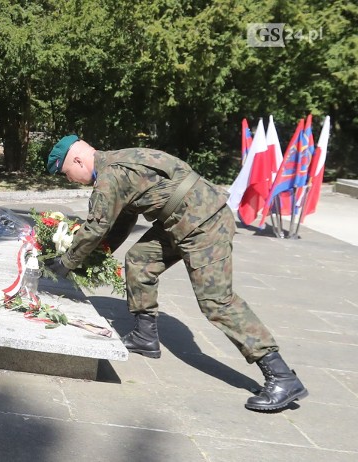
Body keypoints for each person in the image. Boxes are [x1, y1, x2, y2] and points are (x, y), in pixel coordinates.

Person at [46, 135, 308, 412]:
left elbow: (96, 227)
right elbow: (123, 219)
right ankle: (145, 336)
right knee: (139, 259)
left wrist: (67, 263)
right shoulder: (117, 161)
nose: (70, 180)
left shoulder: (109, 177)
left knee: (216, 301)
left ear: (77, 160)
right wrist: (100, 255)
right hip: (183, 218)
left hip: (204, 222)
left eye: (66, 174)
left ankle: (281, 377)